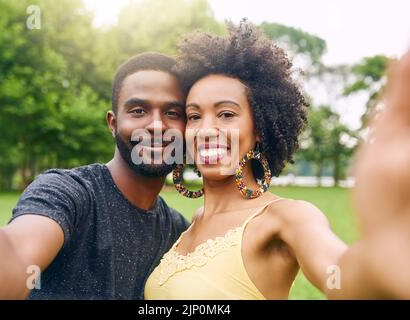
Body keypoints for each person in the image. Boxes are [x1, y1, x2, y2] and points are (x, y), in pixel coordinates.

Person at [144, 20, 410, 300]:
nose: (206, 130)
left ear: (259, 129)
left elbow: (337, 276)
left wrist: (385, 256)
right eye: (195, 116)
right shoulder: (190, 224)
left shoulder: (285, 217)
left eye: (226, 114)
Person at [0, 52, 189, 299]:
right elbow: (14, 251)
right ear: (112, 123)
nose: (156, 126)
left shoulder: (177, 229)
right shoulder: (68, 193)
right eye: (138, 110)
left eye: (173, 113)